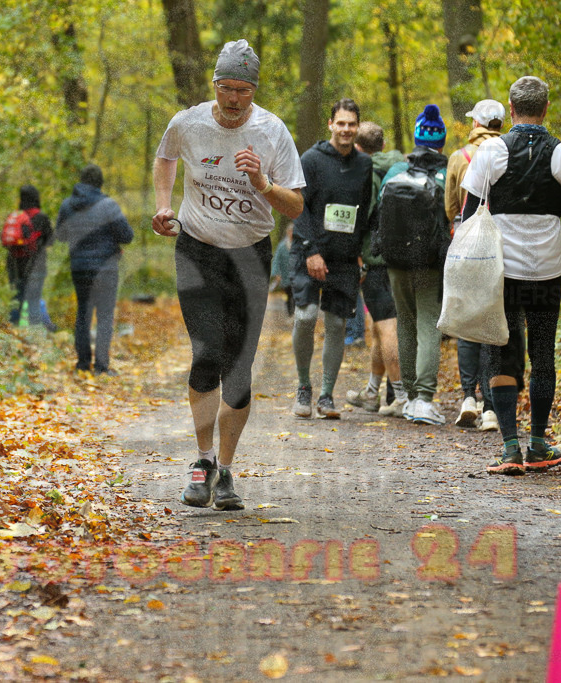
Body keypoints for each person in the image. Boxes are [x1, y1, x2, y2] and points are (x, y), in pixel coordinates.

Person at [152, 39, 305, 511]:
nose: (232, 98)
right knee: (206, 354)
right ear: (214, 85)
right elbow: (166, 158)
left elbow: (296, 205)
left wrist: (262, 182)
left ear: (253, 89)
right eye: (225, 87)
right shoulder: (188, 121)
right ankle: (202, 461)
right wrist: (163, 205)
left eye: (242, 89)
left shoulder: (272, 131)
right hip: (197, 250)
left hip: (250, 257)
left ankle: (226, 471)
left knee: (237, 371)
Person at [459, 76, 561, 475]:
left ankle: (509, 448)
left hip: (501, 274)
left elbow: (469, 215)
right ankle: (538, 443)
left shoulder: (490, 152)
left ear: (511, 109)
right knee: (543, 354)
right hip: (547, 273)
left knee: (500, 351)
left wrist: (466, 270)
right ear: (547, 108)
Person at [289, 98, 375, 420]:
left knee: (337, 324)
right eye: (341, 123)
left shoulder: (365, 165)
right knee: (306, 317)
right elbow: (297, 207)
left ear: (358, 127)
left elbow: (363, 212)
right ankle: (302, 386)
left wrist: (360, 254)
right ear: (330, 125)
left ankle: (326, 395)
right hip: (309, 250)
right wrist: (310, 250)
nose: (346, 129)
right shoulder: (310, 160)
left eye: (351, 124)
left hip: (344, 258)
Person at [378, 104, 449, 426]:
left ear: (418, 139)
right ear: (441, 142)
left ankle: (407, 397)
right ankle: (424, 398)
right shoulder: (447, 173)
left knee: (405, 323)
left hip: (395, 261)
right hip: (431, 262)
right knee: (428, 324)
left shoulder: (395, 172)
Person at [445, 99, 504, 432]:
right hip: (501, 246)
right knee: (493, 322)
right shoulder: (509, 154)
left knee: (467, 321)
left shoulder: (459, 157)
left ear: (477, 123)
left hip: (467, 245)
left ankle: (468, 397)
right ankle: (491, 407)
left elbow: (451, 206)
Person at [346, 121, 408, 416]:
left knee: (386, 326)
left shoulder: (366, 171)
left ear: (358, 147)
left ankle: (401, 397)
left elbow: (362, 216)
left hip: (376, 259)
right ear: (383, 145)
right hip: (406, 258)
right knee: (378, 327)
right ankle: (372, 392)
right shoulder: (403, 164)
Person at [56, 164, 133, 375]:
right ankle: (101, 367)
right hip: (106, 268)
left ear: (81, 181)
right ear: (100, 183)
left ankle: (82, 364)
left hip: (79, 267)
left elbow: (61, 236)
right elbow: (127, 236)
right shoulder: (108, 205)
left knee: (83, 314)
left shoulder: (67, 206)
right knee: (105, 315)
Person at [6, 184, 56, 331]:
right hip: (36, 264)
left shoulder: (15, 217)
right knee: (33, 300)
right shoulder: (41, 217)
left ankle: (11, 332)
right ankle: (34, 335)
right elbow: (51, 240)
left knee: (17, 298)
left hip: (14, 263)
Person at [270, 222, 295, 316]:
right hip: (285, 276)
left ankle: (295, 313)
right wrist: (277, 274)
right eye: (290, 231)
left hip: (296, 276)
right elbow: (276, 260)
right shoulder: (282, 246)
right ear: (287, 232)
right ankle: (290, 313)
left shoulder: (298, 245)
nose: (292, 233)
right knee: (289, 295)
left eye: (293, 231)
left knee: (296, 295)